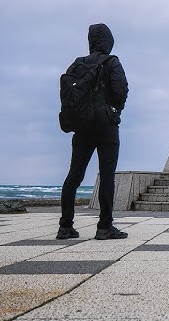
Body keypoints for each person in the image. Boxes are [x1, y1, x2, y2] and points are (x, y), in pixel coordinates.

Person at [57, 23, 129, 240]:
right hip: (105, 125)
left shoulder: (76, 65)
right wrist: (114, 111)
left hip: (82, 127)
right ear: (108, 41)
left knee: (74, 176)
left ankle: (65, 226)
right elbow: (121, 89)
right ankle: (105, 226)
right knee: (107, 176)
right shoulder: (111, 62)